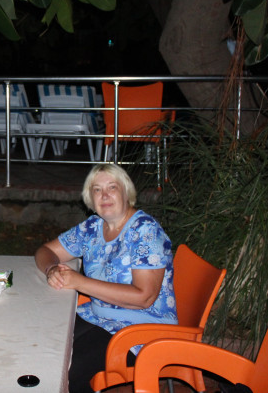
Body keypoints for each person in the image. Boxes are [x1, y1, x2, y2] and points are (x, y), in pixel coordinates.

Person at [34, 164, 177, 393]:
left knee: (67, 371)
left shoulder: (145, 231)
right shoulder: (92, 227)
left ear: (126, 192)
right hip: (100, 316)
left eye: (112, 187)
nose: (105, 195)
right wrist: (52, 269)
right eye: (97, 190)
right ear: (90, 198)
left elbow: (144, 297)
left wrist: (79, 282)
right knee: (45, 344)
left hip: (142, 330)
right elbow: (45, 251)